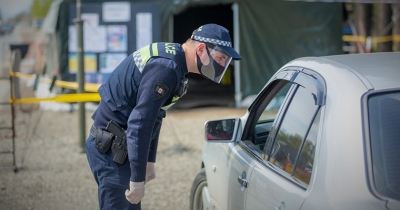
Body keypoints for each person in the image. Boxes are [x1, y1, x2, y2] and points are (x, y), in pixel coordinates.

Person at [85, 23, 242, 210]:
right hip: (111, 152)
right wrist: (136, 178)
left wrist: (149, 160)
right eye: (221, 57)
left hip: (116, 148)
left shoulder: (175, 60)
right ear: (201, 49)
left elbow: (155, 114)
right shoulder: (167, 68)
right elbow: (139, 123)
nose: (223, 64)